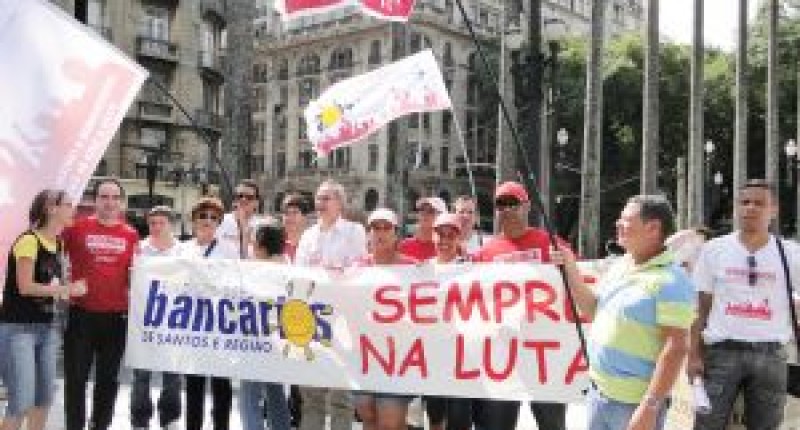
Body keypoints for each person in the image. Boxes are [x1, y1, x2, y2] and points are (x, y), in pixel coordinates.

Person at [554, 194, 695, 430]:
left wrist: (649, 407)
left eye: (626, 220)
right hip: (598, 394)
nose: (618, 224)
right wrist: (569, 270)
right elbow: (593, 309)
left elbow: (676, 348)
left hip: (633, 404)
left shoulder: (672, 281)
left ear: (653, 228)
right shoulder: (621, 264)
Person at [689, 180, 800, 430]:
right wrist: (693, 354)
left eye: (759, 203)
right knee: (707, 425)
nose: (750, 208)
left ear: (774, 210)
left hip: (771, 356)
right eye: (744, 202)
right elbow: (699, 307)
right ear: (736, 208)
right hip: (721, 353)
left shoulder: (790, 253)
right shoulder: (714, 250)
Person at [472, 181, 570, 430]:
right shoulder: (486, 251)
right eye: (500, 204)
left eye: (512, 203)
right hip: (502, 355)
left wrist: (566, 264)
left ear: (526, 206)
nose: (506, 209)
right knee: (498, 425)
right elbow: (471, 295)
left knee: (552, 424)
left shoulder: (550, 242)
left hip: (544, 354)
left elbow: (579, 278)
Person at [0, 190, 85, 430]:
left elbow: (51, 285)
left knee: (44, 398)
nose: (73, 209)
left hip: (48, 329)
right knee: (21, 400)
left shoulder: (58, 243)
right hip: (19, 329)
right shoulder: (29, 240)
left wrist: (64, 291)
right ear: (51, 208)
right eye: (68, 205)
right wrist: (66, 289)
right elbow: (25, 287)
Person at [62, 178, 140, 430]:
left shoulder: (131, 234)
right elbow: (50, 249)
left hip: (116, 318)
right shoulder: (76, 228)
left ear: (121, 202)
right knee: (75, 380)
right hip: (81, 316)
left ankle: (100, 425)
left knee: (108, 381)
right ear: (94, 200)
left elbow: (137, 274)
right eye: (104, 197)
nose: (109, 202)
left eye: (114, 197)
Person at [295, 180, 367, 430]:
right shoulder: (307, 235)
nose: (320, 203)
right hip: (311, 318)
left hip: (342, 320)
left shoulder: (354, 231)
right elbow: (300, 275)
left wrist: (328, 275)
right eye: (318, 198)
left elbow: (356, 270)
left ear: (340, 204)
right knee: (311, 395)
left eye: (327, 198)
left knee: (340, 396)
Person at [354, 208, 417, 430]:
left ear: (396, 234)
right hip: (365, 356)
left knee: (389, 421)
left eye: (386, 227)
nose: (380, 232)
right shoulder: (356, 269)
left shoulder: (413, 268)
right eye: (375, 227)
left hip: (400, 359)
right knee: (367, 413)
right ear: (368, 233)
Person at [180, 197, 239, 430]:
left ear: (219, 223)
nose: (207, 220)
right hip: (192, 326)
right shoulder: (182, 249)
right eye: (203, 216)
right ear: (193, 221)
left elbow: (237, 285)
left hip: (219, 327)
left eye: (213, 217)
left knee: (221, 388)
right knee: (193, 386)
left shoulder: (229, 251)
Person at [129, 206, 182, 430]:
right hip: (142, 320)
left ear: (171, 225)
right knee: (141, 373)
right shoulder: (139, 249)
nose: (157, 227)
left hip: (174, 322)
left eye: (162, 223)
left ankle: (169, 417)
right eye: (153, 223)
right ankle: (140, 417)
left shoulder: (183, 251)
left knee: (173, 375)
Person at [239, 222, 292, 430]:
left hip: (256, 340)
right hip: (280, 342)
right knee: (276, 393)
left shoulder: (257, 271)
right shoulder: (289, 266)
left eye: (253, 241)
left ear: (260, 246)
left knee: (249, 398)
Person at [424, 213, 468, 430]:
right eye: (440, 235)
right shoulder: (421, 270)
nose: (444, 240)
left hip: (463, 357)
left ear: (459, 239)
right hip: (432, 356)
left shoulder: (472, 269)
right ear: (433, 237)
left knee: (459, 420)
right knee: (435, 418)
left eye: (450, 235)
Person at [216, 179, 264, 258]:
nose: (243, 199)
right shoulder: (220, 221)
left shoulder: (262, 226)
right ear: (234, 200)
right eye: (240, 196)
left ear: (256, 203)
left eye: (249, 197)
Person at [398, 197, 446, 261]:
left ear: (442, 216)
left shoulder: (446, 248)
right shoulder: (403, 246)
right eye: (422, 210)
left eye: (431, 211)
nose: (424, 213)